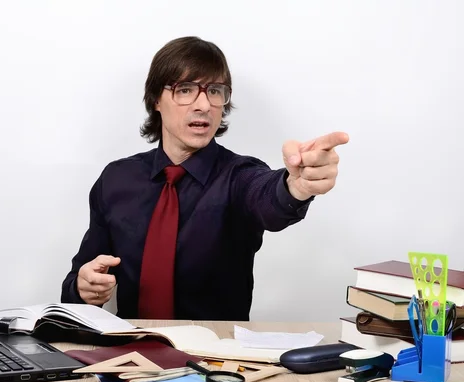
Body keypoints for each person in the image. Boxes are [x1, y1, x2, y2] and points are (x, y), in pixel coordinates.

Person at [60, 36, 349, 321]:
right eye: (185, 90)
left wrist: (294, 186)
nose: (203, 105)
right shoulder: (116, 179)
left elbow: (269, 201)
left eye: (214, 91)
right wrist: (82, 288)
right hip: (131, 355)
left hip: (217, 358)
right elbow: (79, 279)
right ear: (155, 100)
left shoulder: (239, 176)